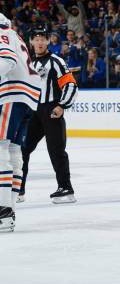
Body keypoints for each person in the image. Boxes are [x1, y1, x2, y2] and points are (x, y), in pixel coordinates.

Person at [19, 25, 78, 204]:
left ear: (47, 41)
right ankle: (18, 188)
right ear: (31, 42)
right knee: (22, 149)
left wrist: (61, 105)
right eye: (36, 39)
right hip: (34, 112)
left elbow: (71, 85)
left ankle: (66, 189)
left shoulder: (56, 61)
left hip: (52, 110)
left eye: (42, 39)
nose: (39, 42)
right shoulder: (29, 63)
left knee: (56, 150)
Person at [0, 13, 41, 232]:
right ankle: (10, 209)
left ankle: (4, 211)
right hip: (27, 96)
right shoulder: (14, 34)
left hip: (11, 93)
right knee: (14, 151)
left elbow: (7, 60)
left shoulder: (1, 33)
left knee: (0, 150)